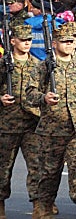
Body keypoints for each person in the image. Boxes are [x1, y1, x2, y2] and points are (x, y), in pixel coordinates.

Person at [25, 22, 76, 218]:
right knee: (49, 173)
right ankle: (44, 208)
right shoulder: (44, 66)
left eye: (74, 40)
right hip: (52, 130)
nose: (71, 44)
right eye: (66, 41)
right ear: (55, 43)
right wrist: (43, 98)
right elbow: (30, 92)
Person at [0, 25, 41, 218]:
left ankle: (39, 204)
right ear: (12, 41)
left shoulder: (37, 65)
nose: (26, 43)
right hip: (7, 123)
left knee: (36, 166)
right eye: (22, 39)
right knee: (3, 167)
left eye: (29, 40)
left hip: (31, 123)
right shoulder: (4, 64)